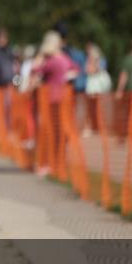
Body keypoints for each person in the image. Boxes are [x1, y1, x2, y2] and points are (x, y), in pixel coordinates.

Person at [30, 31, 80, 176]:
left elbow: (35, 70)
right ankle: (58, 162)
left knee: (49, 132)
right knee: (60, 133)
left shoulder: (51, 61)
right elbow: (76, 69)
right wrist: (68, 76)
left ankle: (48, 163)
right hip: (63, 99)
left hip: (50, 100)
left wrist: (40, 57)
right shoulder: (64, 59)